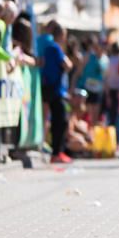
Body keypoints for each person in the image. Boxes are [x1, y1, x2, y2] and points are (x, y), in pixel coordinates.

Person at [41, 23, 73, 163]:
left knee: (55, 120)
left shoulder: (47, 47)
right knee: (60, 121)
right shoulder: (55, 48)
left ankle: (57, 152)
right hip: (56, 89)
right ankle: (56, 153)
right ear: (61, 35)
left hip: (50, 87)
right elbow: (67, 64)